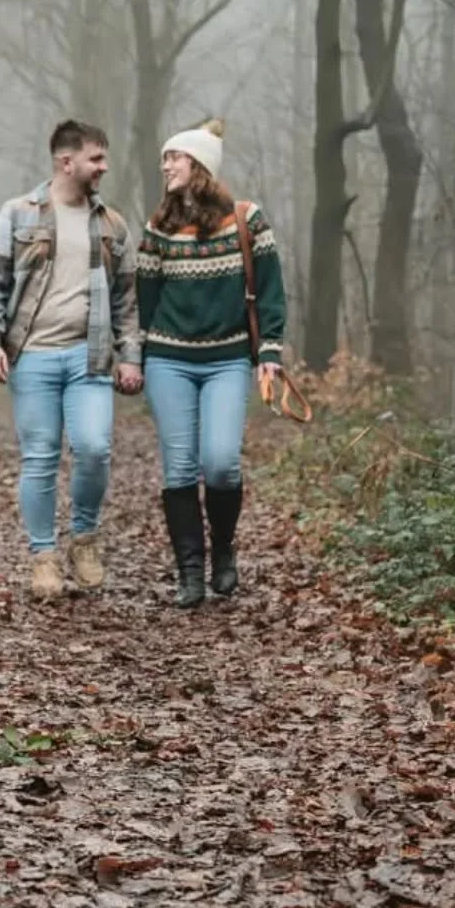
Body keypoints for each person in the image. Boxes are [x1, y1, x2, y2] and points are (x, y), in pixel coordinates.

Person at [0, 119, 142, 598]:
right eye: (96, 158)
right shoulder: (17, 215)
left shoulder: (112, 224)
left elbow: (128, 300)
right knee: (40, 457)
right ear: (66, 161)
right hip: (33, 357)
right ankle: (43, 556)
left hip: (90, 358)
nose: (104, 167)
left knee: (93, 448)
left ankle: (84, 538)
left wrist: (130, 356)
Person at [135, 117, 288, 607]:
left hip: (227, 360)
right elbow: (144, 300)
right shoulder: (158, 228)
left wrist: (270, 352)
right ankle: (190, 573)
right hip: (168, 360)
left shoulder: (247, 220)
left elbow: (270, 290)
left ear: (199, 164)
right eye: (164, 158)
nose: (165, 166)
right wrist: (134, 356)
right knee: (179, 469)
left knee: (220, 463)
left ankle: (223, 548)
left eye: (174, 157)